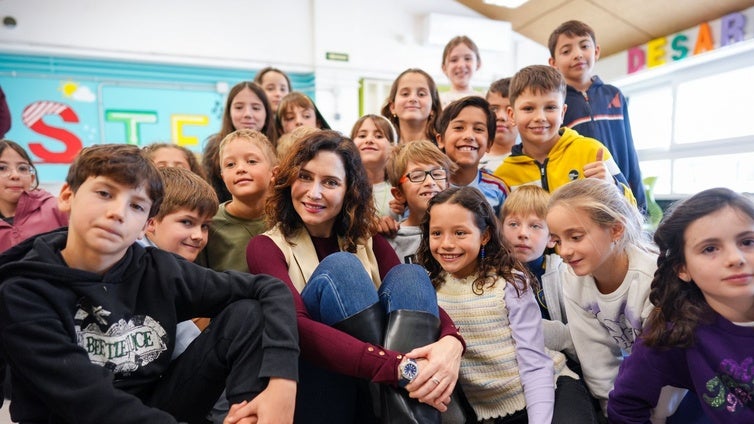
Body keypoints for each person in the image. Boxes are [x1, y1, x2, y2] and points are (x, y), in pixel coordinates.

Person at [0, 143, 299, 424]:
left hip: (157, 405)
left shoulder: (159, 269)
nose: (117, 212)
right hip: (74, 415)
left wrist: (282, 382)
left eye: (137, 206)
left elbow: (268, 288)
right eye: (105, 193)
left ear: (146, 225)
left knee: (247, 313)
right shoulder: (23, 291)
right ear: (67, 196)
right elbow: (89, 403)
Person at [246, 130, 465, 423]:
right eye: (305, 177)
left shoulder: (369, 240)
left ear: (350, 191)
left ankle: (397, 411)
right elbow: (294, 326)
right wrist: (399, 368)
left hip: (377, 384)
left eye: (330, 182)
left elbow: (418, 295)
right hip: (319, 383)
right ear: (288, 181)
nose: (314, 193)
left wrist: (452, 341)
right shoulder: (265, 247)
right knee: (343, 268)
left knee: (410, 274)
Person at [418, 186, 589, 423]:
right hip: (490, 411)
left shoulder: (509, 282)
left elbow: (535, 362)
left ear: (485, 235)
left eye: (460, 233)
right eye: (436, 233)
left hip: (549, 389)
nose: (446, 243)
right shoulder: (430, 288)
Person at [609, 188, 752, 423]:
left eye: (747, 241)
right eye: (710, 248)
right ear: (682, 268)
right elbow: (625, 405)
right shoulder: (674, 333)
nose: (736, 258)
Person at [546, 178, 686, 420]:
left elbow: (667, 363)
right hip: (630, 390)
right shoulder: (572, 278)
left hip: (678, 385)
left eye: (575, 237)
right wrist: (611, 411)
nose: (564, 251)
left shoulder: (654, 276)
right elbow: (594, 355)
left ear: (616, 229)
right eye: (557, 240)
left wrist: (656, 417)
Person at [493, 65, 636, 206]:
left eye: (550, 107)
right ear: (512, 115)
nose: (540, 117)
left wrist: (612, 186)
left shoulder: (592, 152)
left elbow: (632, 208)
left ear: (562, 113)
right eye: (528, 108)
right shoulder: (503, 176)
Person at [548, 20, 647, 213]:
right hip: (581, 196)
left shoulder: (614, 94)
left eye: (584, 46)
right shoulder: (556, 103)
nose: (577, 54)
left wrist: (640, 202)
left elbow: (629, 148)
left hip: (619, 190)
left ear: (596, 51)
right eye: (566, 51)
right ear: (553, 63)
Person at [139, 166, 219, 352]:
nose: (198, 235)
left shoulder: (175, 267)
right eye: (187, 222)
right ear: (151, 223)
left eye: (205, 226)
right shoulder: (142, 266)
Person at [500, 185, 575, 360]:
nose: (523, 233)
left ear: (551, 238)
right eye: (513, 224)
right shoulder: (491, 276)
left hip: (562, 362)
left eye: (535, 226)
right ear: (500, 232)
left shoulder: (565, 275)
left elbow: (580, 337)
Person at [198, 129, 277, 273]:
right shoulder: (208, 224)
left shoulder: (287, 219)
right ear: (223, 176)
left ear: (274, 173)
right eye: (230, 165)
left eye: (251, 161)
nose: (240, 169)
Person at [203, 81, 278, 203]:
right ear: (229, 112)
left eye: (256, 108)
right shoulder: (213, 149)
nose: (248, 114)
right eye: (239, 107)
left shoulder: (279, 146)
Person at [436, 96, 508, 216]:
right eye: (459, 128)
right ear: (441, 140)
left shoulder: (498, 189)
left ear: (489, 144)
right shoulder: (429, 185)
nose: (469, 136)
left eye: (478, 129)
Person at [385, 139, 454, 264]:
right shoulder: (391, 240)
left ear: (448, 186)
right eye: (417, 176)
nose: (430, 182)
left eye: (437, 174)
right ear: (399, 194)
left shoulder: (463, 231)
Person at [0, 139, 68, 253]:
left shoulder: (58, 208)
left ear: (31, 178)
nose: (15, 175)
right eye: (2, 168)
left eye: (22, 168)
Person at [350, 114, 398, 219]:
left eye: (379, 136)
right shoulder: (345, 188)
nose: (369, 140)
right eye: (362, 136)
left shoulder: (399, 191)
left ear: (393, 147)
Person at [381, 68, 442, 144]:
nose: (413, 99)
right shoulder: (382, 149)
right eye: (405, 94)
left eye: (421, 94)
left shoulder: (444, 147)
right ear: (392, 107)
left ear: (433, 107)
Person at [479, 77, 518, 173]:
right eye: (494, 109)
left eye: (510, 109)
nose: (501, 117)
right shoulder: (471, 159)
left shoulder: (529, 160)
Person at [439, 36, 483, 108]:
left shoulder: (484, 100)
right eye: (454, 60)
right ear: (444, 68)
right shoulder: (438, 101)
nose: (461, 65)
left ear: (478, 64)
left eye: (467, 58)